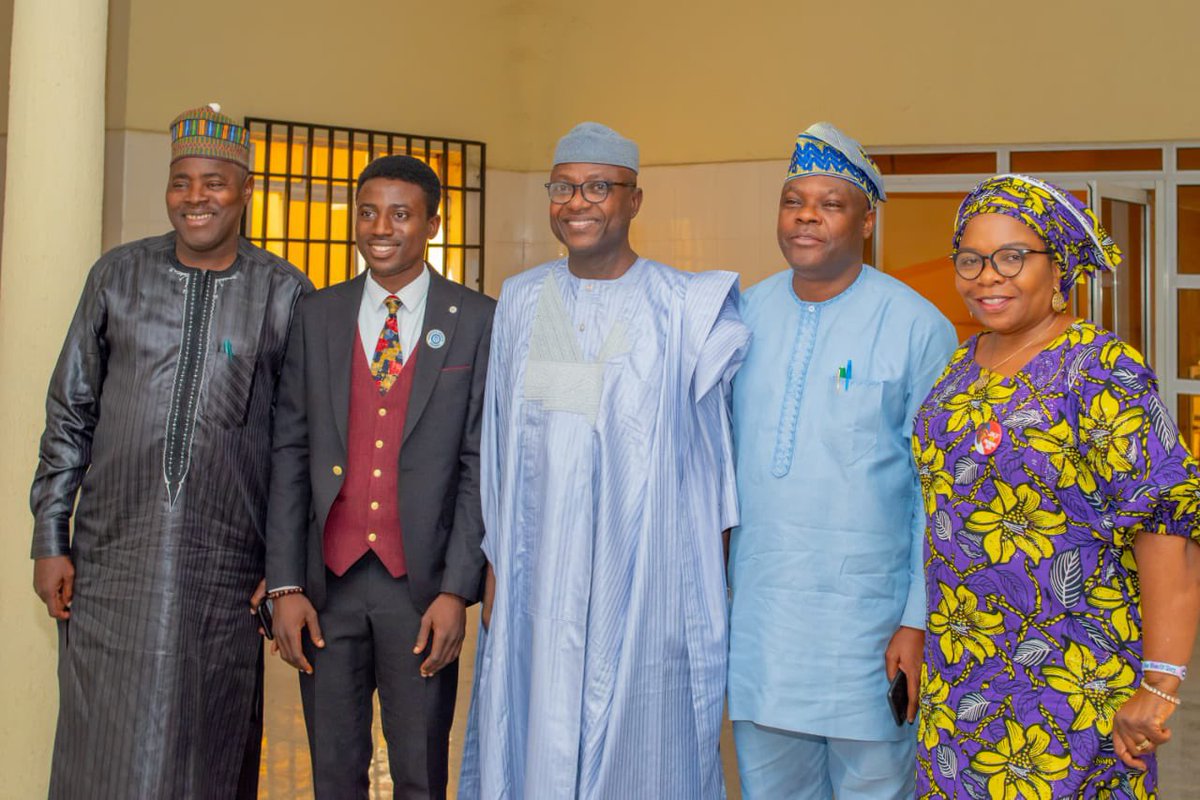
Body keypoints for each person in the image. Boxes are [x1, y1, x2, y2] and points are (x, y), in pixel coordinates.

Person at [29, 103, 312, 799]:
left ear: (246, 189)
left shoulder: (284, 292)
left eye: (215, 182)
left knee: (204, 747)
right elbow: (70, 411)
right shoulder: (116, 276)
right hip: (110, 559)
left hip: (222, 571)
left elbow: (299, 442)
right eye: (182, 180)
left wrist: (283, 566)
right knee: (102, 743)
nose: (196, 197)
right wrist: (49, 537)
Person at [459, 122, 749, 800]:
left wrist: (708, 576)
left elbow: (714, 459)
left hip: (645, 577)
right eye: (563, 187)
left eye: (598, 187)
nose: (577, 202)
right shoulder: (522, 299)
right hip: (539, 574)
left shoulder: (685, 306)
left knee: (644, 750)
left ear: (635, 199)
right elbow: (499, 439)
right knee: (534, 731)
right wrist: (498, 559)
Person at [912, 173, 1200, 798]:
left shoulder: (1100, 369)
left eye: (1012, 256)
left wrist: (1159, 684)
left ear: (1060, 266)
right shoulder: (962, 362)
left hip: (1071, 685)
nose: (987, 275)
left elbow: (1165, 528)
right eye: (970, 258)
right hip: (959, 678)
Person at [727, 121, 957, 799]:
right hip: (763, 625)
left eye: (830, 203)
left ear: (866, 219)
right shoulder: (742, 316)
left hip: (870, 626)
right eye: (793, 200)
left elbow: (935, 494)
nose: (805, 216)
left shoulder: (918, 327)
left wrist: (915, 619)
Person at [264, 154, 493, 799]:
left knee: (421, 771)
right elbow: (289, 450)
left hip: (417, 591)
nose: (380, 227)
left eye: (400, 213)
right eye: (368, 212)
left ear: (431, 223)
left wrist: (457, 589)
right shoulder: (319, 315)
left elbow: (478, 465)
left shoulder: (476, 319)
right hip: (326, 587)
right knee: (333, 771)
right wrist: (284, 584)